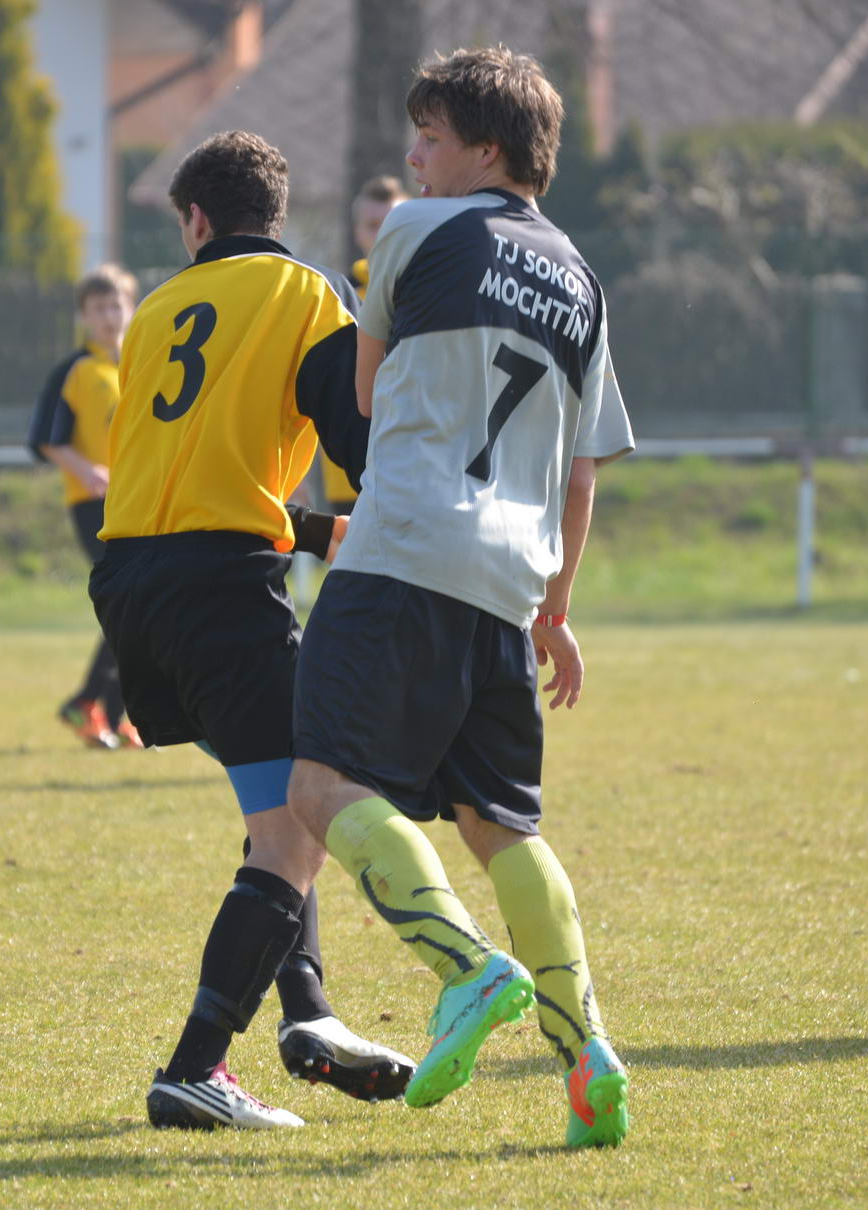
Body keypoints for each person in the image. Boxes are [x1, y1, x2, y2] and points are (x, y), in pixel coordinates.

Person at [286, 48, 635, 1148]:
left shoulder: (414, 231)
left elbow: (363, 393)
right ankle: (588, 1057)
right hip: (509, 585)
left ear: (485, 149)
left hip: (400, 551)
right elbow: (581, 473)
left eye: (429, 138)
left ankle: (467, 967)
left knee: (318, 782)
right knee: (502, 824)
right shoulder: (582, 282)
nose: (411, 158)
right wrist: (555, 609)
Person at [91, 130, 414, 1129]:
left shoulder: (154, 311)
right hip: (221, 588)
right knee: (300, 815)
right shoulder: (304, 293)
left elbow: (189, 474)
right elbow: (359, 433)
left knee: (283, 801)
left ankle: (307, 1014)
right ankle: (196, 1068)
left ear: (195, 220)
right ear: (274, 215)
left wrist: (315, 532)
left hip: (129, 585)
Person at [28, 264, 142, 750]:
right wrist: (86, 469)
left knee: (138, 604)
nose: (109, 316)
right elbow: (44, 440)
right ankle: (90, 702)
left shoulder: (142, 364)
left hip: (138, 502)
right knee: (131, 600)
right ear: (83, 316)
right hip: (93, 505)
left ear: (131, 309)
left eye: (116, 305)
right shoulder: (75, 371)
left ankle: (112, 715)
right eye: (98, 308)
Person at [315, 175, 410, 516]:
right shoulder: (334, 299)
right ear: (357, 232)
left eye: (391, 224)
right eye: (372, 225)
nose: (381, 234)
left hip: (410, 467)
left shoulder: (427, 295)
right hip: (345, 472)